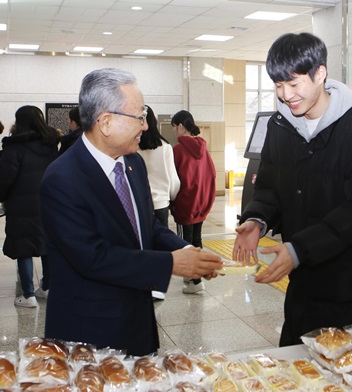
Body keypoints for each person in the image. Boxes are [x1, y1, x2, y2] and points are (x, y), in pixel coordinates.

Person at [40, 68, 223, 356]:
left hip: (137, 319)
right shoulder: (62, 178)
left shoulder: (133, 163)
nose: (146, 126)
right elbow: (93, 257)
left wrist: (188, 251)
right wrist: (170, 264)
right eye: (139, 116)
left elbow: (145, 225)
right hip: (90, 333)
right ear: (106, 122)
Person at [233, 32, 352, 347]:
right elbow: (268, 185)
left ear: (320, 74)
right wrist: (256, 219)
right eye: (278, 85)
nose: (286, 95)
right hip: (305, 283)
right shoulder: (281, 127)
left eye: (294, 84)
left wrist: (298, 249)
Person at [0, 105, 60, 308]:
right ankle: (48, 287)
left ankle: (28, 295)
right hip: (49, 202)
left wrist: (3, 197)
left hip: (21, 204)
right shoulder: (51, 143)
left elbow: (6, 177)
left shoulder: (13, 145)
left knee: (23, 246)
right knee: (47, 246)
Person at [170, 110, 216, 294]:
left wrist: (173, 203)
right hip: (201, 203)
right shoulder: (204, 149)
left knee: (184, 243)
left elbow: (173, 180)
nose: (174, 131)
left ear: (180, 126)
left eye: (174, 127)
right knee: (196, 239)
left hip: (185, 204)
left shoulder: (177, 150)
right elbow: (211, 176)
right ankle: (198, 276)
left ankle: (194, 281)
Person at [139, 106, 181, 301]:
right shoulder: (165, 147)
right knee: (161, 246)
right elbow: (173, 180)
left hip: (140, 204)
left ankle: (144, 282)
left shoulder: (133, 147)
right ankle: (158, 288)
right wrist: (171, 196)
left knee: (143, 246)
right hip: (161, 203)